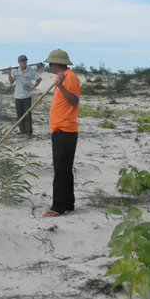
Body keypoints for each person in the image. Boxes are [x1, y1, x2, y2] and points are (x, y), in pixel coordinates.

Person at [41, 49, 81, 217]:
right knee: (64, 169)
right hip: (60, 129)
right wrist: (59, 83)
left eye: (50, 63)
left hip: (65, 130)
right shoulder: (62, 78)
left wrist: (60, 86)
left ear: (56, 64)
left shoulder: (70, 78)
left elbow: (73, 101)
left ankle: (58, 207)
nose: (49, 66)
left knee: (61, 170)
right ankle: (68, 203)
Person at [7, 55, 42, 139]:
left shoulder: (31, 71)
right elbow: (11, 82)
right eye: (22, 61)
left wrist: (32, 87)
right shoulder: (15, 71)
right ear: (19, 62)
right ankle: (22, 131)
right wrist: (9, 72)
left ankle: (29, 132)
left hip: (27, 96)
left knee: (27, 114)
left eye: (25, 61)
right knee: (19, 114)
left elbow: (39, 79)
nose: (24, 62)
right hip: (18, 96)